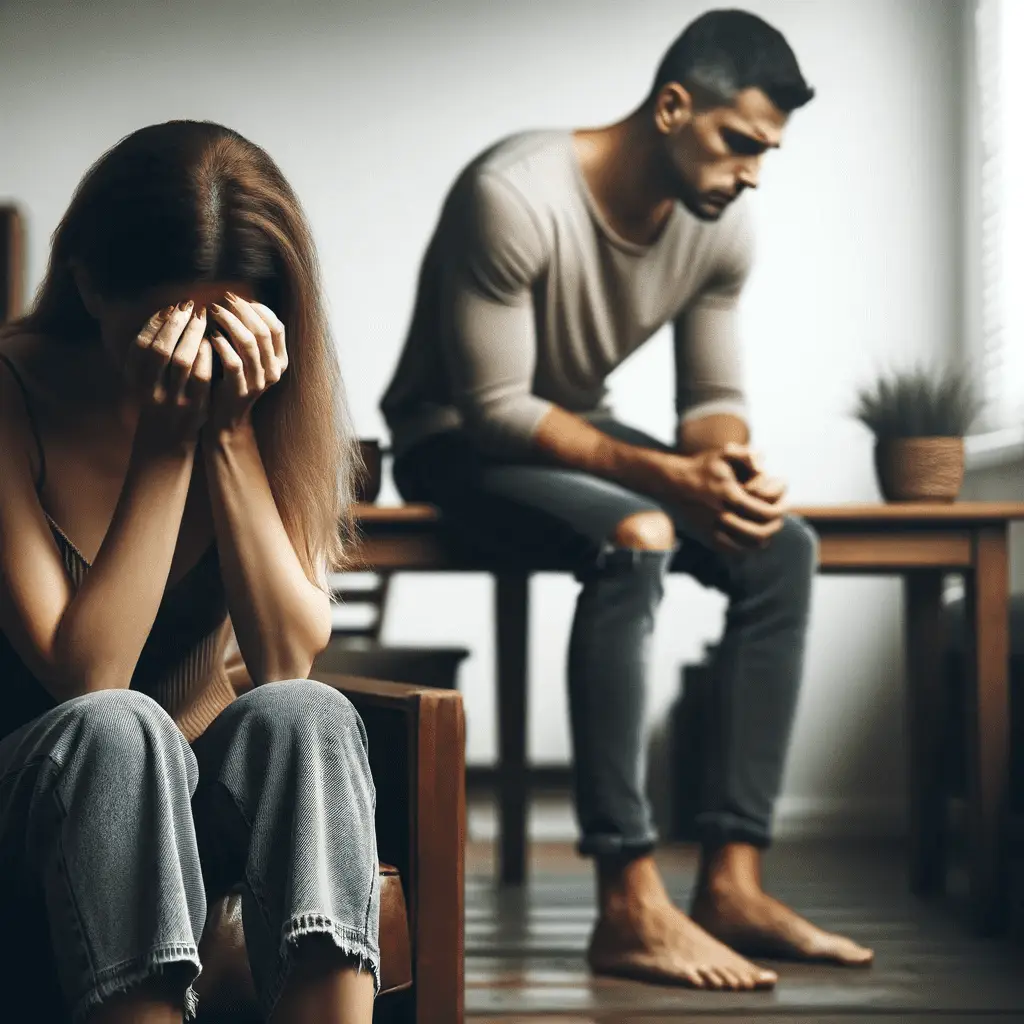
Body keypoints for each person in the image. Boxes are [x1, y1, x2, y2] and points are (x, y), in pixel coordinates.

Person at [382, 7, 874, 991]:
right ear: (671, 106)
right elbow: (492, 410)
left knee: (779, 547)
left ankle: (732, 879)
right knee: (640, 531)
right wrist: (663, 480)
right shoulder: (511, 196)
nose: (750, 172)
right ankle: (627, 901)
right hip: (454, 441)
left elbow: (710, 408)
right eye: (738, 143)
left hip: (574, 437)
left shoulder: (722, 224)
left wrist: (728, 467)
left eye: (766, 152)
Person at [0, 121, 378, 1024]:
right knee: (118, 729)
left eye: (226, 324)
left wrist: (232, 435)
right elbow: (86, 679)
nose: (199, 354)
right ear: (90, 284)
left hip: (187, 792)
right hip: (39, 786)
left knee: (309, 714)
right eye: (165, 326)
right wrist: (167, 449)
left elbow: (288, 658)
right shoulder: (12, 390)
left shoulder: (264, 397)